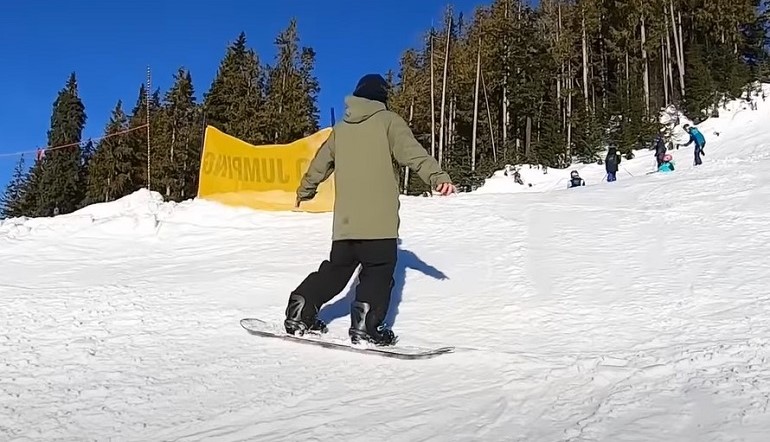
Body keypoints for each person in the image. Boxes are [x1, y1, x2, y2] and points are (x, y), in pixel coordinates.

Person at [284, 73, 456, 346]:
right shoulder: (388, 121)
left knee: (336, 271)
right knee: (378, 271)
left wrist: (305, 190)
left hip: (345, 226)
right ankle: (366, 326)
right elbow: (413, 153)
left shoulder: (340, 129)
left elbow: (320, 164)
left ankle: (300, 307)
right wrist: (438, 177)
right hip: (379, 223)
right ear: (382, 98)